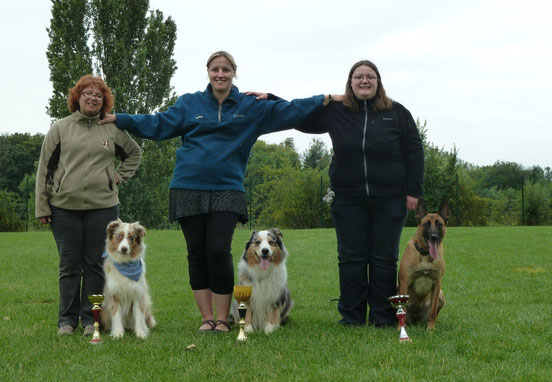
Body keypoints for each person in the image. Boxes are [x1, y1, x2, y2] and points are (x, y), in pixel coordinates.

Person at [98, 50, 333, 333]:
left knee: (219, 251)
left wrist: (325, 99)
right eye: (215, 69)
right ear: (208, 72)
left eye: (225, 69)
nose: (220, 74)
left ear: (234, 73)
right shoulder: (190, 103)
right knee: (196, 253)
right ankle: (207, 319)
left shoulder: (251, 106)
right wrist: (120, 119)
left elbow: (292, 110)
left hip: (227, 188)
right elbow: (157, 124)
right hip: (187, 187)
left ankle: (223, 319)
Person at [299, 60, 424, 327]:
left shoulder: (397, 112)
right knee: (351, 258)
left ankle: (383, 316)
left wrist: (413, 191)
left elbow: (414, 152)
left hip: (390, 199)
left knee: (384, 259)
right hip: (347, 199)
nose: (364, 81)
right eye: (359, 77)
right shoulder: (336, 112)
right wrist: (323, 98)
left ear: (378, 82)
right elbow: (299, 117)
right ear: (350, 82)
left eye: (370, 77)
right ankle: (352, 316)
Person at [35, 75, 142, 336]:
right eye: (87, 94)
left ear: (104, 102)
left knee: (95, 264)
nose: (93, 98)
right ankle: (66, 321)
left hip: (103, 208)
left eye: (98, 95)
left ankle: (89, 320)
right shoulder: (60, 129)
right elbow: (45, 169)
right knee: (69, 265)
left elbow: (134, 153)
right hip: (63, 208)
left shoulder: (112, 130)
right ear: (77, 98)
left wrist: (116, 177)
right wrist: (43, 207)